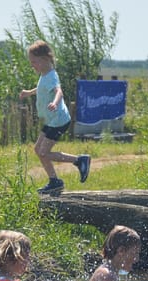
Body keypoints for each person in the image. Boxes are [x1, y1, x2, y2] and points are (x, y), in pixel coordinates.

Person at [19, 40, 90, 196]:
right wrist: (29, 92)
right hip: (53, 121)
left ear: (45, 58)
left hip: (58, 121)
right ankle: (54, 181)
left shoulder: (51, 75)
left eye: (34, 62)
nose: (32, 65)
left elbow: (59, 91)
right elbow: (42, 88)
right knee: (38, 150)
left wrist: (55, 102)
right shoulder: (45, 75)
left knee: (43, 152)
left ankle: (79, 161)